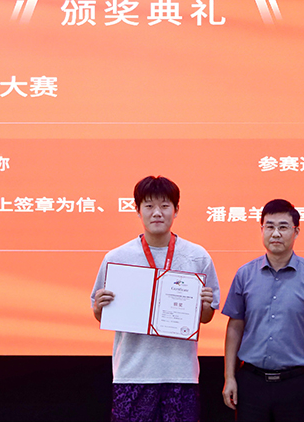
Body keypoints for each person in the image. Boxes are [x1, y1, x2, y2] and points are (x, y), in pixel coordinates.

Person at [91, 175, 220, 422]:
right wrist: (100, 306)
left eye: (165, 206)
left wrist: (205, 305)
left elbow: (206, 317)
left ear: (176, 210)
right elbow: (100, 314)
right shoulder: (117, 258)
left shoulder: (198, 257)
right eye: (149, 206)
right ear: (137, 210)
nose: (157, 213)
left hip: (181, 374)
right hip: (132, 373)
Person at [221, 199, 304, 421]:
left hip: (297, 384)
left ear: (296, 231)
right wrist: (230, 377)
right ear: (262, 229)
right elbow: (234, 328)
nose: (276, 233)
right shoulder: (244, 274)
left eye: (283, 227)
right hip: (251, 382)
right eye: (270, 226)